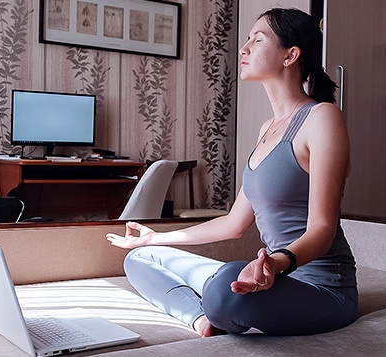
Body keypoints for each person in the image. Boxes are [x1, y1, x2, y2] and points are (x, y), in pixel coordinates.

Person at [106, 7, 357, 337]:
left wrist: (276, 264)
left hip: (322, 289)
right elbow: (233, 223)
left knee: (225, 286)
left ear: (290, 55)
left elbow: (322, 229)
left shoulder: (323, 118)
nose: (244, 48)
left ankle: (218, 302)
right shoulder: (267, 128)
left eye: (257, 39)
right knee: (141, 258)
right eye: (247, 39)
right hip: (272, 276)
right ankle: (202, 319)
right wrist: (157, 237)